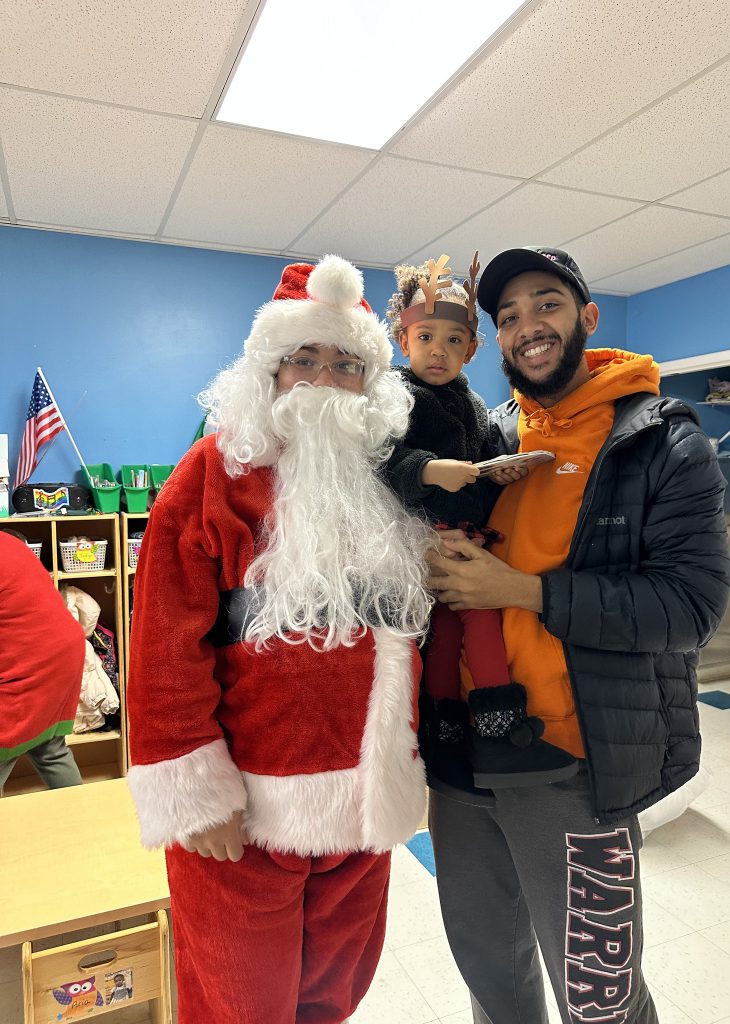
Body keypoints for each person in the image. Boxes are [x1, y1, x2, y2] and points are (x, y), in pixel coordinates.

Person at [425, 246, 730, 1024]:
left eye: (547, 304)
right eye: (508, 317)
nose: (528, 326)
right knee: (491, 978)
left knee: (600, 995)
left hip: (575, 764)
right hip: (460, 758)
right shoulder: (486, 437)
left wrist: (522, 592)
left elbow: (688, 607)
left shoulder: (664, 443)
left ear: (588, 319)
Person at [126, 255, 434, 1024]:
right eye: (306, 358)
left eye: (347, 362)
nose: (326, 379)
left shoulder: (381, 482)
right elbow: (164, 648)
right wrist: (195, 795)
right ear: (270, 371)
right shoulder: (208, 478)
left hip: (363, 806)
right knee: (240, 1001)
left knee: (334, 994)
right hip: (245, 812)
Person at [383, 253, 573, 789]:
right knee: (465, 627)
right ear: (404, 342)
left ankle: (448, 726)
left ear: (470, 349)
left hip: (469, 538)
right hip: (424, 540)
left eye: (452, 341)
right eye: (425, 338)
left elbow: (486, 458)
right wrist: (429, 470)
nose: (438, 351)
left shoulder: (473, 403)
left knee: (453, 630)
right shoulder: (396, 398)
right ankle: (496, 725)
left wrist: (501, 473)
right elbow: (383, 463)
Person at [0, 531, 85, 794]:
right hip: (63, 650)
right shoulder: (9, 541)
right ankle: (82, 820)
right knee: (49, 746)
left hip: (32, 659)